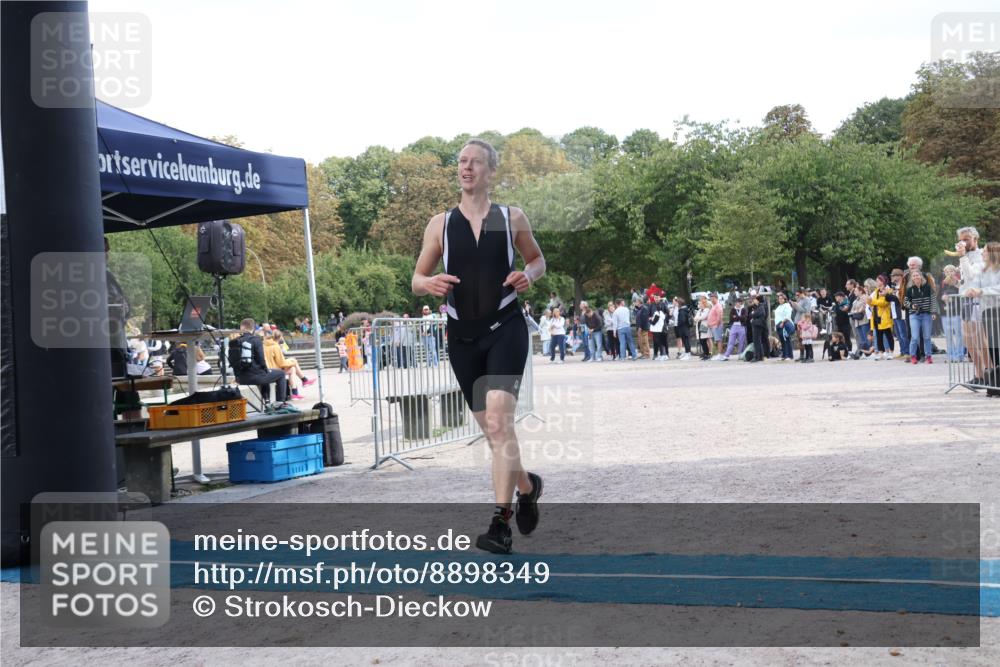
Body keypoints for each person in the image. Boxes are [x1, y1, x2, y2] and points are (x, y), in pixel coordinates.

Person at [411, 138, 545, 554]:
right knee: (493, 431)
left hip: (505, 327)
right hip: (461, 336)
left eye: (475, 163)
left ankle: (500, 524)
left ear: (490, 171)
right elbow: (417, 278)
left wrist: (529, 276)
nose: (466, 168)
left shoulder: (511, 217)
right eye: (462, 162)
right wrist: (428, 284)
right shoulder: (439, 224)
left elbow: (537, 260)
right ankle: (526, 486)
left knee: (501, 421)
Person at [230, 318, 291, 408]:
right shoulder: (256, 339)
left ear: (241, 327)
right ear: (253, 328)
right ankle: (280, 403)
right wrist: (266, 369)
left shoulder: (233, 342)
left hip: (240, 379)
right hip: (255, 377)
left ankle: (267, 401)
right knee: (280, 374)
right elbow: (261, 360)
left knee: (264, 373)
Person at [960, 241, 1000, 378]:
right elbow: (973, 283)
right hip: (987, 311)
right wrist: (969, 291)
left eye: (985, 251)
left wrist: (981, 290)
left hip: (998, 310)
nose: (982, 253)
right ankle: (994, 383)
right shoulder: (982, 270)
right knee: (992, 347)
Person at [956, 227, 989, 381]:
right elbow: (965, 281)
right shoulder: (965, 256)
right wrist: (957, 284)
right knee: (968, 341)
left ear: (976, 239)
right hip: (966, 301)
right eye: (961, 239)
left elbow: (972, 275)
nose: (963, 242)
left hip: (979, 301)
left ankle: (991, 373)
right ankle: (980, 374)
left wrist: (962, 257)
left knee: (981, 340)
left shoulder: (982, 255)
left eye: (967, 239)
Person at [905, 270, 937, 364]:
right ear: (912, 278)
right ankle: (913, 356)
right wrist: (912, 306)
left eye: (917, 275)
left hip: (926, 314)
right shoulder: (910, 289)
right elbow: (906, 302)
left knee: (927, 336)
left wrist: (933, 312)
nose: (916, 277)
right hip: (914, 315)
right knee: (915, 337)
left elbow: (933, 300)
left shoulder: (928, 287)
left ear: (921, 277)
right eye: (914, 276)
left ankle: (928, 356)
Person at [264, 329, 305, 400]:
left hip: (267, 369)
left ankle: (302, 384)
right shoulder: (275, 346)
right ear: (280, 338)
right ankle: (297, 389)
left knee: (292, 366)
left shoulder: (264, 345)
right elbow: (281, 363)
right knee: (293, 368)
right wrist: (293, 362)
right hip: (274, 370)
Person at [939, 265, 965, 362]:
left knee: (958, 334)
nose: (948, 273)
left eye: (951, 271)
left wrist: (955, 282)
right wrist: (942, 297)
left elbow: (962, 291)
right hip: (945, 312)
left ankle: (959, 355)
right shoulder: (943, 283)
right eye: (946, 271)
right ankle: (950, 356)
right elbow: (939, 295)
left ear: (955, 272)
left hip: (956, 311)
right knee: (948, 335)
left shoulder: (959, 281)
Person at [869, 275, 896, 360]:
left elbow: (884, 303)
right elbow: (872, 303)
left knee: (888, 335)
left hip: (885, 317)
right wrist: (868, 301)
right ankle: (881, 353)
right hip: (876, 316)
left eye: (878, 281)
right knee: (879, 336)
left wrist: (872, 301)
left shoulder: (888, 290)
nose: (876, 283)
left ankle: (891, 352)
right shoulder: (876, 291)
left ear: (883, 281)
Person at [773, 292, 795, 360]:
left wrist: (783, 322)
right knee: (782, 340)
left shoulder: (787, 305)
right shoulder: (779, 306)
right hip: (778, 324)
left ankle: (789, 355)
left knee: (786, 339)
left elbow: (788, 315)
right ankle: (784, 355)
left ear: (784, 299)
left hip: (784, 324)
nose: (780, 300)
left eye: (781, 299)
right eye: (779, 299)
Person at [749, 295, 769, 362]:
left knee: (757, 341)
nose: (753, 300)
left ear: (757, 300)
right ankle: (759, 355)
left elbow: (756, 314)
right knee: (757, 341)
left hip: (758, 325)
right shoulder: (758, 306)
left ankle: (757, 356)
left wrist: (753, 317)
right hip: (758, 325)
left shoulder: (761, 306)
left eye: (755, 299)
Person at [649, 296, 668, 361]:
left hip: (659, 328)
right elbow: (649, 314)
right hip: (657, 328)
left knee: (661, 341)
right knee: (656, 342)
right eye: (655, 298)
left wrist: (650, 320)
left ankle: (664, 354)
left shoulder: (663, 305)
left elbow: (653, 321)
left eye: (657, 298)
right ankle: (657, 354)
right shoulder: (652, 305)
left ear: (660, 298)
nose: (656, 299)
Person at [693, 295, 712, 360]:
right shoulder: (700, 310)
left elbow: (703, 317)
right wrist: (698, 318)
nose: (699, 304)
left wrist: (698, 318)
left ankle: (707, 353)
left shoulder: (706, 310)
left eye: (700, 303)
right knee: (701, 340)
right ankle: (705, 353)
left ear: (703, 304)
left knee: (704, 340)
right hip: (699, 325)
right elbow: (695, 317)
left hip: (704, 326)